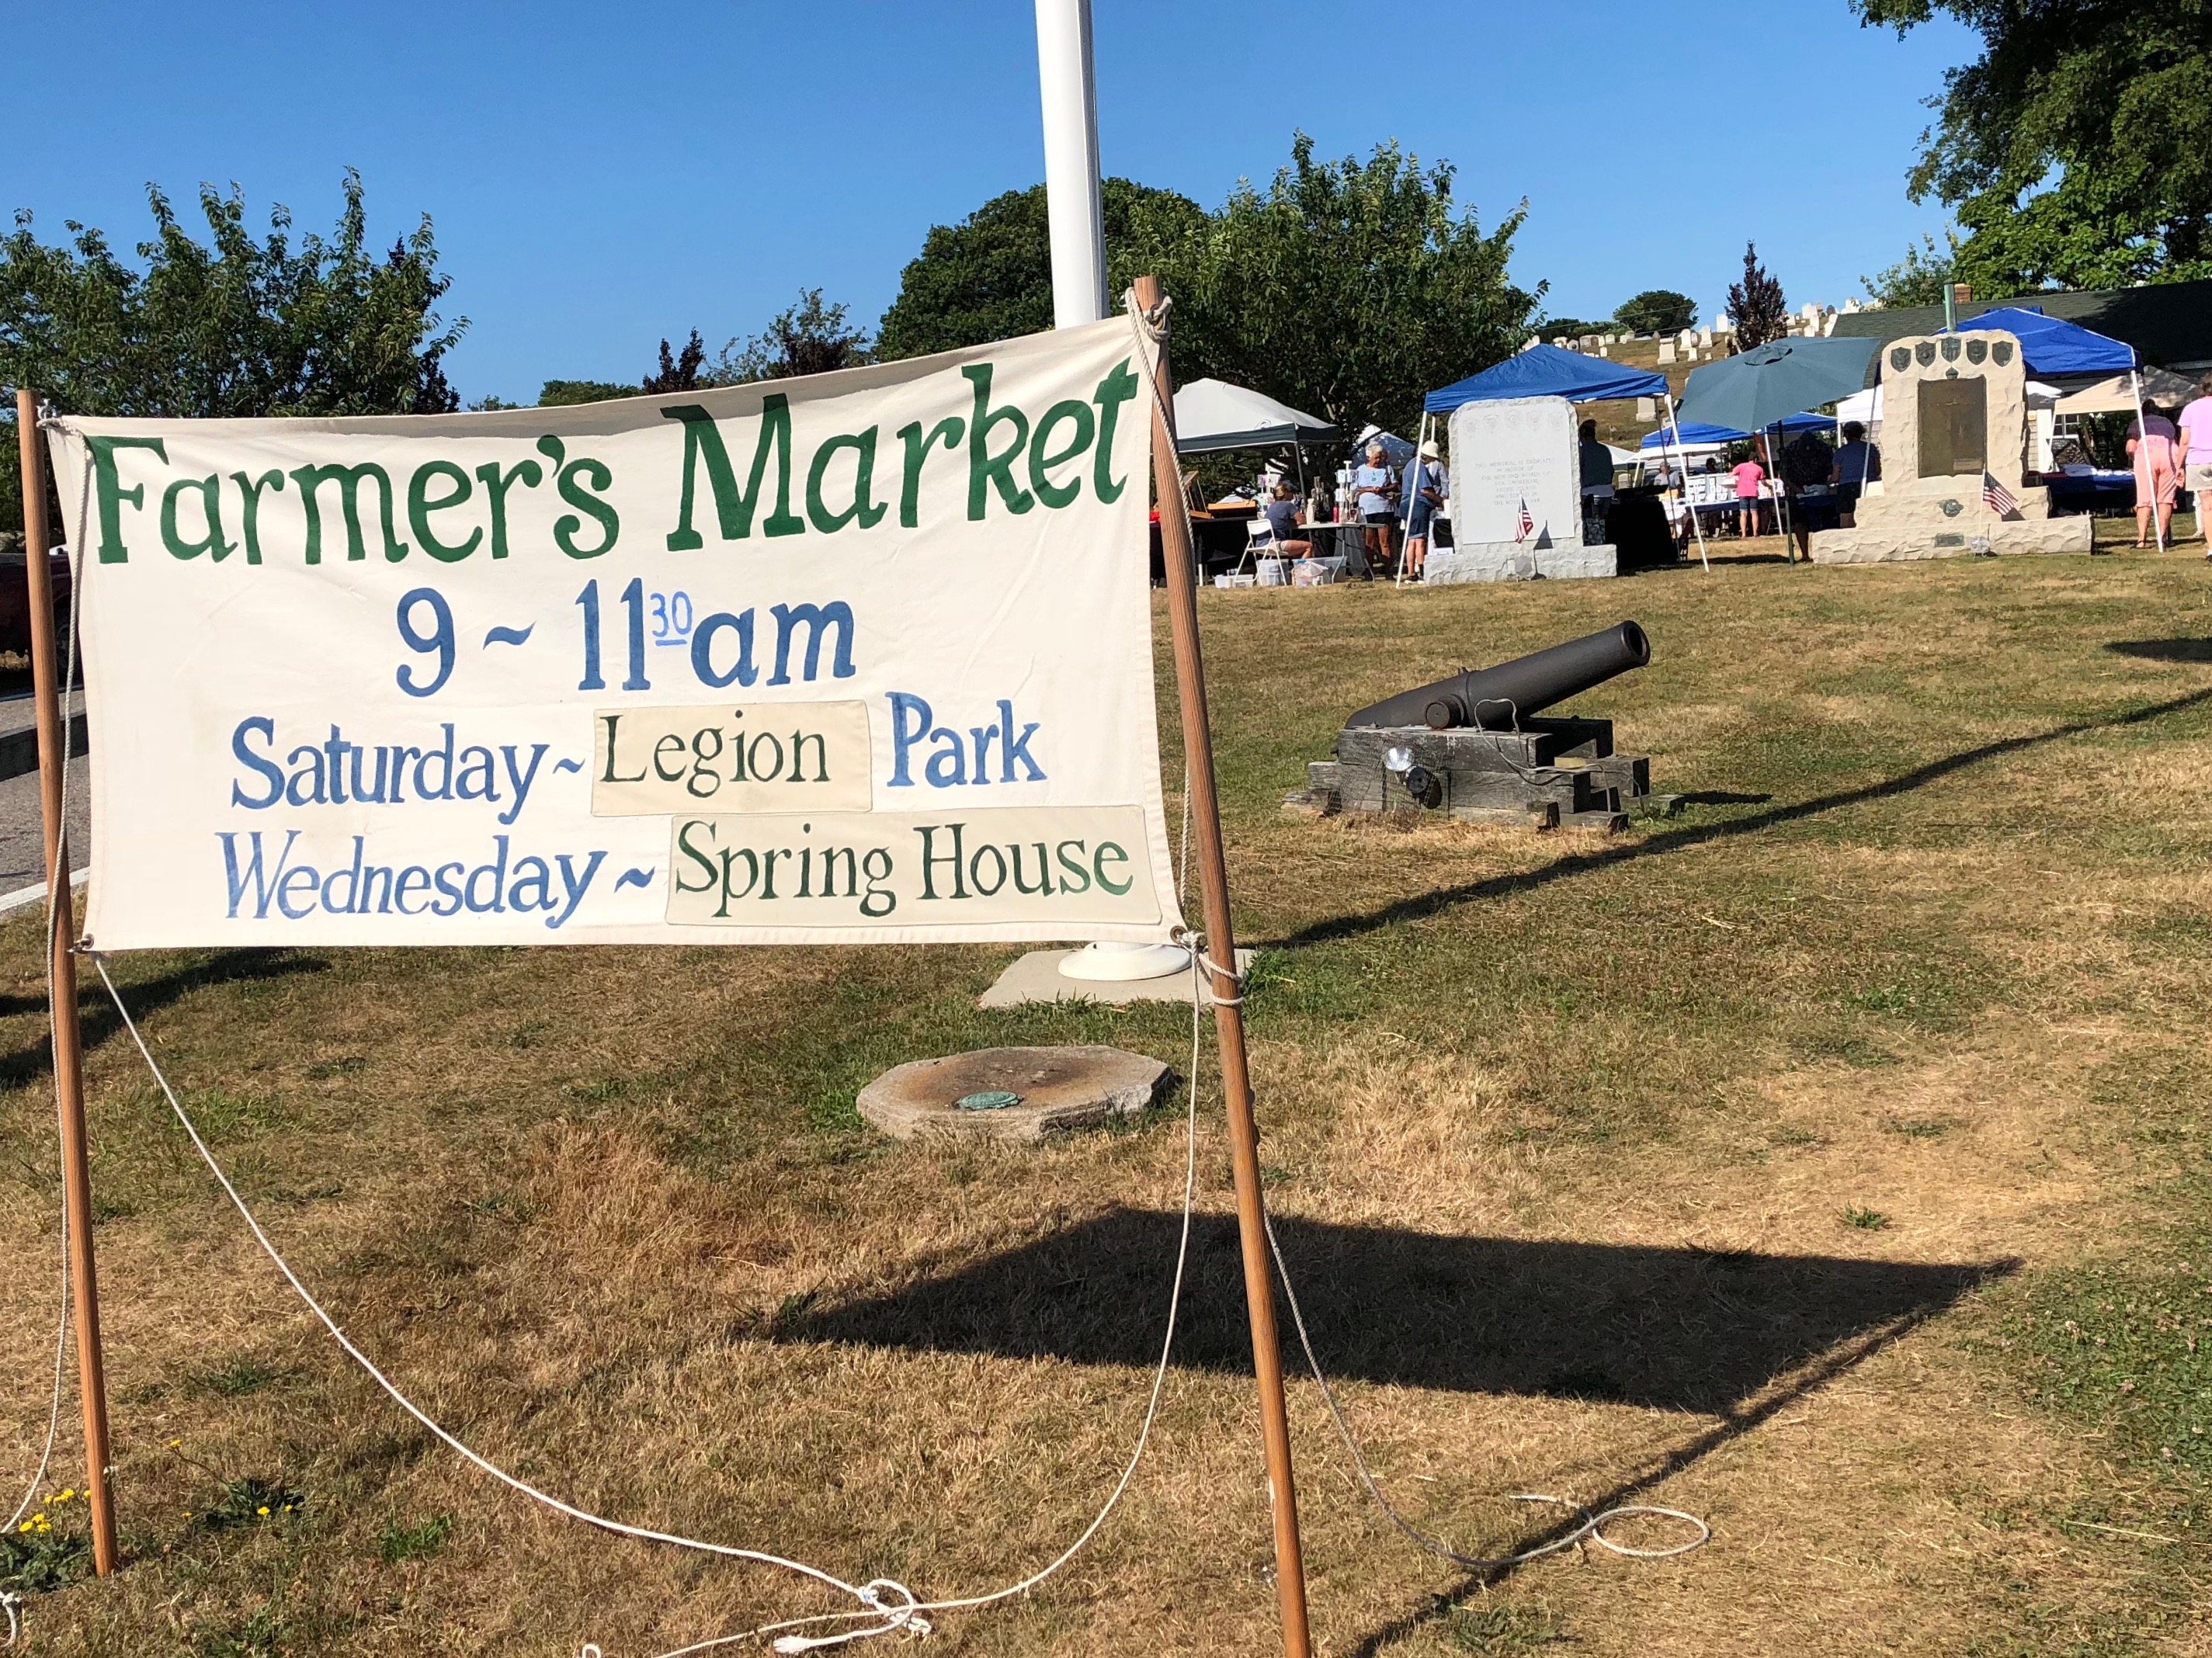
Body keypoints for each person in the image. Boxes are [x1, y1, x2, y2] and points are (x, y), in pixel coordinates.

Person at [2127, 405, 2180, 549]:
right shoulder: (2167, 423)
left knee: (2145, 499)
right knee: (2166, 499)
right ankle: (2161, 539)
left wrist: (2133, 459)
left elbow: (2131, 447)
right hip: (2170, 454)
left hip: (2147, 453)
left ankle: (2141, 540)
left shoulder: (2137, 422)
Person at [1401, 440, 1446, 580]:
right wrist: (1440, 500)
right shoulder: (1419, 466)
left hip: (1406, 503)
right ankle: (1422, 572)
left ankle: (1411, 572)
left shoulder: (1409, 465)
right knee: (1420, 539)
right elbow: (1425, 490)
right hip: (1418, 504)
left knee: (1412, 539)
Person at [1353, 441, 1398, 578]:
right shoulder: (1360, 470)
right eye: (1376, 457)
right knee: (1369, 541)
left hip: (1383, 508)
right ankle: (1369, 570)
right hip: (1366, 509)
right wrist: (1368, 489)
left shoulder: (1387, 469)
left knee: (1385, 541)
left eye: (1380, 457)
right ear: (1369, 457)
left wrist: (1383, 489)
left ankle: (1388, 571)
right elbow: (1355, 488)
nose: (1378, 460)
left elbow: (1395, 485)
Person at [2179, 375, 2212, 551]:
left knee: (2207, 507)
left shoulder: (2190, 409)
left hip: (2198, 461)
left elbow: (2185, 441)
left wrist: (2178, 466)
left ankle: (2211, 548)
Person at [1832, 421, 1882, 527]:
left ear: (1846, 435)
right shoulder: (1871, 448)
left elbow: (1836, 476)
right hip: (1868, 486)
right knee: (1870, 517)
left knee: (1846, 518)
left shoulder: (1841, 452)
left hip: (1847, 488)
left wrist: (1829, 481)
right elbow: (1878, 470)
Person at [1262, 480, 1311, 560]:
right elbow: (1302, 521)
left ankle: (1296, 566)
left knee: (1298, 548)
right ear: (1285, 493)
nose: (1293, 494)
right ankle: (1299, 569)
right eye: (1291, 491)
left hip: (1261, 544)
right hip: (1275, 544)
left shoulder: (1271, 506)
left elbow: (1279, 522)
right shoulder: (1288, 505)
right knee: (1309, 546)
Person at [1731, 448, 1766, 539]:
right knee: (1754, 512)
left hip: (1742, 491)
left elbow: (1731, 475)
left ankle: (1743, 534)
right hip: (1753, 492)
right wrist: (1769, 487)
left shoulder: (1741, 466)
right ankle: (1755, 533)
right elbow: (1763, 482)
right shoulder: (1759, 468)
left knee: (1743, 513)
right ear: (1755, 460)